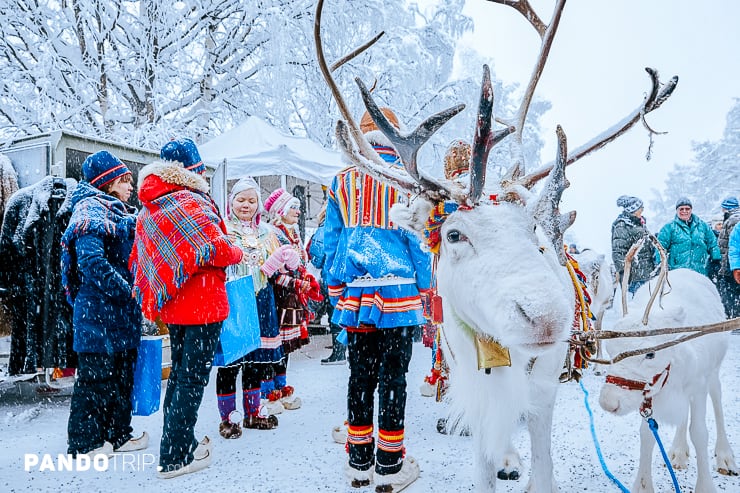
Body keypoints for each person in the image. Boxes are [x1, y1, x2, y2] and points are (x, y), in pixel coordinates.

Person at [323, 107, 431, 491]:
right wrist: (424, 288)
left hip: (355, 296)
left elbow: (330, 241)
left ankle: (358, 462)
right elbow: (419, 243)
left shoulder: (341, 181)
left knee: (359, 376)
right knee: (394, 379)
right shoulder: (406, 181)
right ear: (394, 135)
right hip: (399, 297)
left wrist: (336, 287)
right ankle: (389, 463)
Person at [130, 138, 243, 478]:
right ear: (192, 170)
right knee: (191, 380)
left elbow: (145, 258)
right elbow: (216, 250)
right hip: (203, 302)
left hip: (174, 303)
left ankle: (178, 442)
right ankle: (177, 456)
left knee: (179, 377)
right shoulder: (190, 202)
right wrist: (236, 250)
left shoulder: (150, 204)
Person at [60, 150, 147, 457]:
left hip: (120, 312)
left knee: (122, 376)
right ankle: (85, 443)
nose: (130, 186)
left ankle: (118, 435)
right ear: (107, 182)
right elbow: (92, 262)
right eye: (124, 181)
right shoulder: (89, 210)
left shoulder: (120, 212)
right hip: (97, 312)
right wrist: (128, 290)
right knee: (95, 379)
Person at [216, 177, 298, 438]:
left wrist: (292, 277)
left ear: (259, 205)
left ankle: (253, 412)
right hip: (233, 301)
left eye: (252, 201)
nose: (246, 205)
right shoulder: (222, 230)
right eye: (241, 200)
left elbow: (275, 270)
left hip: (261, 300)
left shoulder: (267, 233)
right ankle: (228, 418)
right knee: (230, 362)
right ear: (232, 203)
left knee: (255, 360)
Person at [262, 187, 321, 411]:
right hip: (277, 297)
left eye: (298, 207)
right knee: (273, 344)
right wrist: (296, 283)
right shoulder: (273, 234)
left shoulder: (292, 232)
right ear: (281, 210)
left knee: (285, 345)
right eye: (293, 207)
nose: (298, 211)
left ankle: (281, 385)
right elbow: (272, 271)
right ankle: (269, 392)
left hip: (290, 297)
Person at [307, 204, 347, 365]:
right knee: (345, 312)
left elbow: (317, 255)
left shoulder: (325, 228)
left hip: (331, 276)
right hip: (346, 276)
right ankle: (345, 347)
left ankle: (338, 352)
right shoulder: (346, 226)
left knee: (334, 313)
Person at [657, 197, 721, 277]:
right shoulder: (669, 228)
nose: (684, 211)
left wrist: (716, 260)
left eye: (687, 209)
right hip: (677, 272)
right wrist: (660, 265)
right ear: (677, 210)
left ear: (691, 210)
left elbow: (712, 243)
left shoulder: (703, 226)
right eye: (681, 209)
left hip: (700, 271)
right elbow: (660, 247)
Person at [611, 195, 655, 294]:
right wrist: (627, 274)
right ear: (633, 210)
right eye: (641, 208)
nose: (642, 210)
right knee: (637, 306)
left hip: (645, 273)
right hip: (635, 278)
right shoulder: (622, 225)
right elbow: (618, 252)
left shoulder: (637, 224)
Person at [717, 196, 740, 318]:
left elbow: (733, 245)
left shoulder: (733, 221)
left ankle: (735, 319)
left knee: (731, 292)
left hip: (732, 263)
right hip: (733, 262)